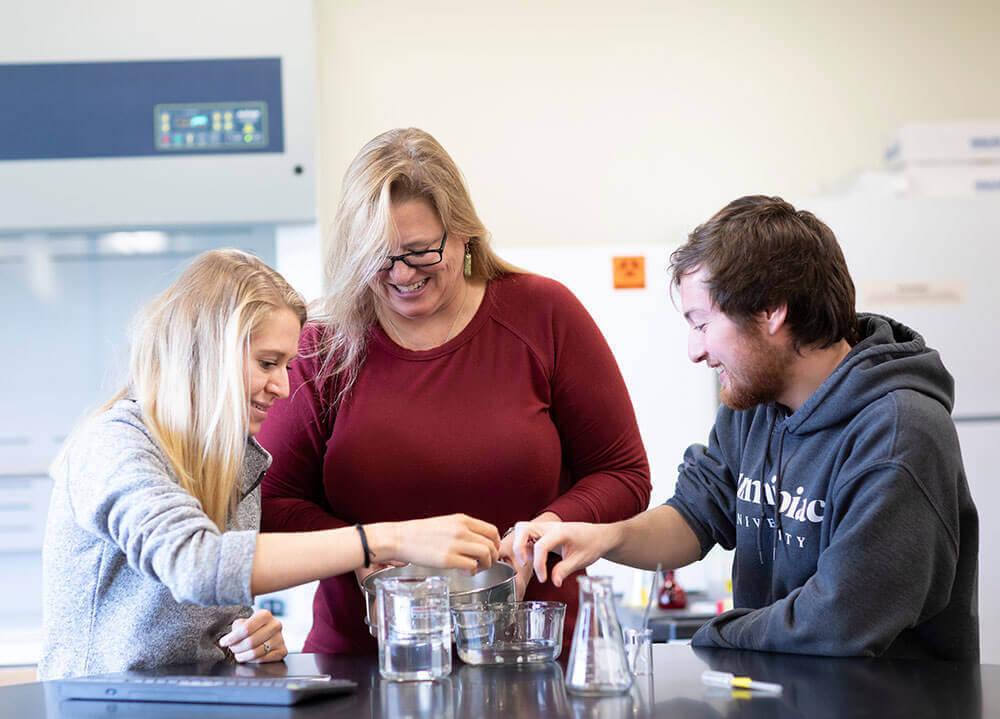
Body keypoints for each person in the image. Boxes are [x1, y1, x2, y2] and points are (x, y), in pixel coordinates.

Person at [513, 195, 979, 660]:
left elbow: (838, 622)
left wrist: (713, 635)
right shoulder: (755, 406)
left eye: (701, 323)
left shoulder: (899, 433)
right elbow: (695, 516)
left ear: (771, 311)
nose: (694, 351)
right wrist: (604, 538)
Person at [256, 128, 651, 653]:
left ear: (462, 234)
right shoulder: (322, 349)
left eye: (420, 252)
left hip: (532, 657)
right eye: (379, 256)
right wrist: (361, 549)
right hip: (366, 664)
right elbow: (271, 500)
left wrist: (548, 529)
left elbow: (623, 472)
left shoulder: (543, 316)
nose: (400, 274)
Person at [40, 249, 500, 679]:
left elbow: (216, 598)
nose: (282, 387)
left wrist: (245, 640)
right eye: (267, 362)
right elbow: (196, 564)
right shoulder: (114, 445)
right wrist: (385, 539)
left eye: (286, 366)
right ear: (207, 350)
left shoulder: (236, 461)